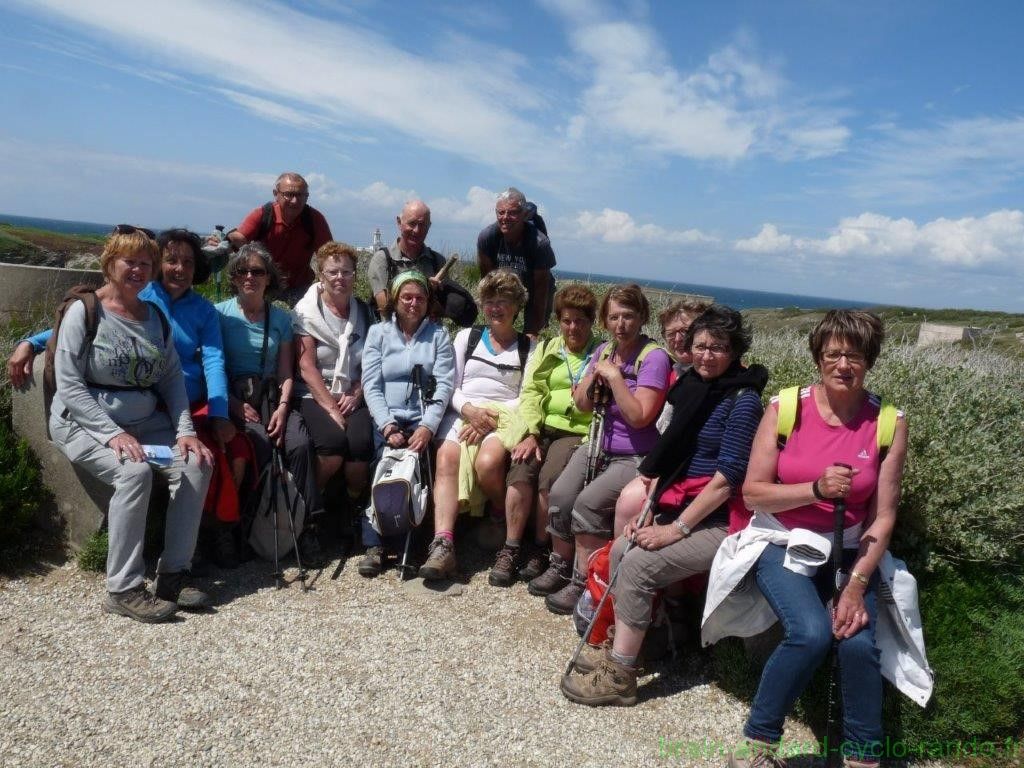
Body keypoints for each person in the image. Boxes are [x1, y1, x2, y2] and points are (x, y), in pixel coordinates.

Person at [702, 310, 919, 768]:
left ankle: (863, 757)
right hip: (781, 541)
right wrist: (814, 490)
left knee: (858, 642)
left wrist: (857, 586)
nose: (843, 365)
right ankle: (759, 745)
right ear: (818, 358)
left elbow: (883, 515)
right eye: (833, 354)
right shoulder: (786, 409)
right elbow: (753, 492)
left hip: (849, 551)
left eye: (854, 355)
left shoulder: (888, 423)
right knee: (811, 632)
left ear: (869, 361)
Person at [560, 305, 768, 706]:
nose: (707, 355)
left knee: (638, 565)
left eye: (718, 347)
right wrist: (651, 508)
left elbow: (726, 483)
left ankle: (621, 674)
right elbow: (673, 460)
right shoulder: (697, 389)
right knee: (622, 547)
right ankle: (637, 644)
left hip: (722, 521)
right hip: (685, 507)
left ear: (736, 351)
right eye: (700, 346)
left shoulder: (741, 401)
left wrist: (675, 530)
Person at [9, 229, 248, 568]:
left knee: (210, 457)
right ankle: (132, 576)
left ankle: (192, 555)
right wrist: (32, 342)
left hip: (175, 407)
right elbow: (87, 328)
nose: (179, 269)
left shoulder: (195, 311)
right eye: (171, 261)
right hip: (128, 409)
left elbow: (210, 362)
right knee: (144, 471)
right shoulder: (139, 296)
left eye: (188, 263)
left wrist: (217, 414)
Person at [47, 225, 213, 622]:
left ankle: (173, 573)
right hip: (85, 421)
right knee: (134, 473)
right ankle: (122, 587)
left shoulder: (154, 316)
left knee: (195, 463)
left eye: (145, 263)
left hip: (142, 419)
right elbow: (68, 383)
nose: (138, 270)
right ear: (109, 264)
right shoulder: (84, 312)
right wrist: (112, 434)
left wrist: (186, 431)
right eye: (129, 262)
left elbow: (172, 377)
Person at [529, 284, 671, 614]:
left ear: (642, 317)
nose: (621, 324)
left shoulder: (654, 358)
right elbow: (580, 404)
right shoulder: (604, 352)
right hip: (598, 444)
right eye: (614, 317)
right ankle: (560, 564)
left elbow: (640, 417)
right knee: (560, 494)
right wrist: (596, 375)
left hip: (635, 455)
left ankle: (586, 582)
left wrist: (617, 379)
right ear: (605, 322)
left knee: (587, 505)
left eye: (628, 316)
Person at [215, 243, 323, 563]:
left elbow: (286, 370)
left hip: (273, 397)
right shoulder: (219, 315)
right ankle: (245, 527)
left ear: (268, 278)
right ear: (234, 277)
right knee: (257, 444)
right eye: (243, 271)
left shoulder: (280, 318)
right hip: (235, 397)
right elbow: (214, 366)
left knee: (300, 444)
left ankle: (308, 527)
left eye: (257, 271)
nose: (250, 277)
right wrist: (234, 405)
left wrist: (283, 407)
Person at [491, 284, 599, 587]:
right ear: (559, 322)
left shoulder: (600, 353)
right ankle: (511, 548)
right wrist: (531, 432)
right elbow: (531, 391)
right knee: (521, 469)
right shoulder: (548, 348)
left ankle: (540, 548)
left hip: (576, 429)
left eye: (580, 320)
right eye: (566, 320)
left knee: (550, 477)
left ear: (591, 322)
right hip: (543, 426)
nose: (573, 327)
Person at [430, 270, 534, 582]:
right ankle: (443, 542)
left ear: (517, 306)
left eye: (503, 301)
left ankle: (498, 513)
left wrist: (488, 415)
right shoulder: (467, 338)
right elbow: (451, 385)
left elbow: (526, 395)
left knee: (488, 463)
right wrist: (471, 410)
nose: (495, 308)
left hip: (504, 417)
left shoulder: (528, 347)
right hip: (465, 411)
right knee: (447, 457)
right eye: (490, 301)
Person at [359, 271, 455, 577]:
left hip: (422, 417)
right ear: (396, 299)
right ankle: (374, 543)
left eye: (420, 298)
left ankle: (413, 544)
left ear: (428, 302)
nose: (413, 303)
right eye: (407, 297)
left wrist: (427, 426)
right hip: (387, 416)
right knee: (380, 464)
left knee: (421, 470)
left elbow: (444, 384)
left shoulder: (439, 336)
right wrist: (386, 425)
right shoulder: (378, 334)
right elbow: (371, 384)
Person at [293, 241, 375, 541]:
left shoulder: (364, 312)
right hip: (315, 392)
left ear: (355, 275)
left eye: (346, 272)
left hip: (353, 390)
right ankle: (309, 510)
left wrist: (357, 391)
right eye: (332, 272)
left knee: (360, 446)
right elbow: (306, 367)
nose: (339, 278)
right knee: (331, 446)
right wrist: (330, 407)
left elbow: (372, 357)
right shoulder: (305, 313)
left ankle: (351, 508)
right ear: (320, 274)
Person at [222, 172, 332, 301]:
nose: (295, 201)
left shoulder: (314, 220)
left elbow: (329, 255)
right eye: (289, 195)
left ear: (307, 197)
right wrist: (223, 242)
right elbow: (240, 238)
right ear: (276, 194)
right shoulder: (263, 215)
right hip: (263, 286)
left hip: (299, 288)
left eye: (300, 195)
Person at [477, 187, 556, 337]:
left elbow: (540, 292)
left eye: (512, 213)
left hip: (535, 285)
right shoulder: (487, 238)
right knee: (499, 330)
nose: (505, 217)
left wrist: (533, 331)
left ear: (524, 214)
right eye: (501, 212)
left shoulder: (540, 244)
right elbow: (488, 283)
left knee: (533, 333)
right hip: (505, 284)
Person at [367, 200, 445, 315]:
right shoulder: (382, 260)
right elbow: (385, 308)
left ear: (429, 226)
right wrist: (424, 289)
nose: (417, 230)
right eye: (412, 223)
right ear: (399, 222)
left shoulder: (437, 261)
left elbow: (444, 310)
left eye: (422, 225)